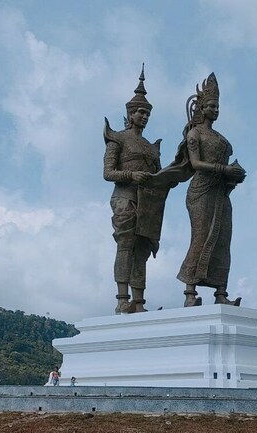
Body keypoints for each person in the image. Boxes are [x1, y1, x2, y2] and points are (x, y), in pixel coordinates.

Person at [172, 72, 247, 307]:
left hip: (221, 193)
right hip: (201, 192)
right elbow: (195, 165)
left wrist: (234, 175)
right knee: (201, 237)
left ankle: (220, 292)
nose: (215, 110)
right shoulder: (195, 134)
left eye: (218, 106)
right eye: (212, 106)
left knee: (223, 239)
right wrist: (224, 170)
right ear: (202, 108)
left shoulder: (220, 138)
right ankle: (190, 292)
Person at [103, 65, 166, 314]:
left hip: (147, 202)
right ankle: (121, 298)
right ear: (130, 114)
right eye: (140, 112)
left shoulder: (151, 147)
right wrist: (131, 174)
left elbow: (160, 177)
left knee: (142, 250)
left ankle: (138, 301)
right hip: (125, 198)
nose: (144, 117)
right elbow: (108, 173)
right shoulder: (117, 138)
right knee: (125, 245)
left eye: (147, 113)